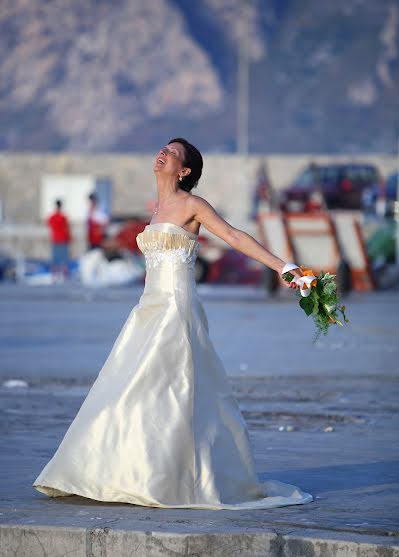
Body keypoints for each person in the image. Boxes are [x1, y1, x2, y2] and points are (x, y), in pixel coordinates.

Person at [33, 138, 312, 510]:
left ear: (184, 171)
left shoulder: (191, 204)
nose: (163, 153)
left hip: (175, 308)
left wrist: (284, 267)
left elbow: (232, 236)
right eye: (163, 148)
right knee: (129, 385)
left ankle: (164, 478)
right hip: (148, 306)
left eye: (174, 153)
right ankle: (127, 471)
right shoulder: (156, 209)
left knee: (168, 389)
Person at [47, 199, 71, 282]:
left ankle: (54, 276)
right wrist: (69, 238)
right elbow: (67, 229)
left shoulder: (51, 217)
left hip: (55, 240)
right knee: (64, 259)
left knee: (55, 259)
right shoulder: (63, 217)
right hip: (63, 240)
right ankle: (64, 276)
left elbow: (50, 227)